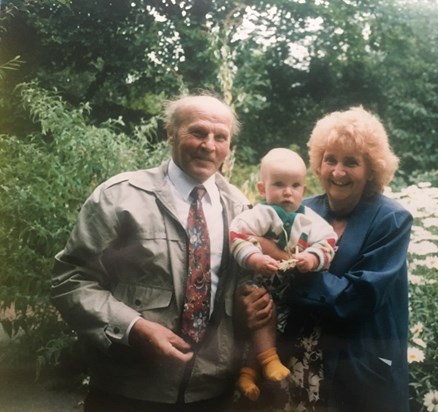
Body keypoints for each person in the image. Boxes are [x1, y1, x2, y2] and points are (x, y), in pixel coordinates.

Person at [51, 93, 252, 412]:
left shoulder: (241, 209)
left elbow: (245, 291)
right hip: (127, 389)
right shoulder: (120, 197)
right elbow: (70, 281)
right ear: (170, 132)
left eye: (220, 137)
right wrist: (134, 328)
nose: (209, 146)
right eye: (198, 132)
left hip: (212, 394)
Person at [238, 106, 413, 411]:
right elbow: (256, 267)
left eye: (351, 162)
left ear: (371, 169)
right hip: (295, 361)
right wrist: (253, 303)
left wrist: (278, 257)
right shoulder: (300, 210)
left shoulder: (391, 220)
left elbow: (357, 298)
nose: (338, 172)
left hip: (356, 369)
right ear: (317, 165)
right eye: (330, 159)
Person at [229, 148, 337, 401]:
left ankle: (248, 373)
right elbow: (237, 235)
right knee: (263, 312)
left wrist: (311, 258)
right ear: (262, 188)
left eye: (295, 185)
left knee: (276, 325)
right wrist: (254, 258)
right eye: (278, 185)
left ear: (304, 189)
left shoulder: (310, 219)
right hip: (258, 280)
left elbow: (328, 241)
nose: (287, 192)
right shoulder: (260, 214)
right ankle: (268, 361)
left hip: (287, 287)